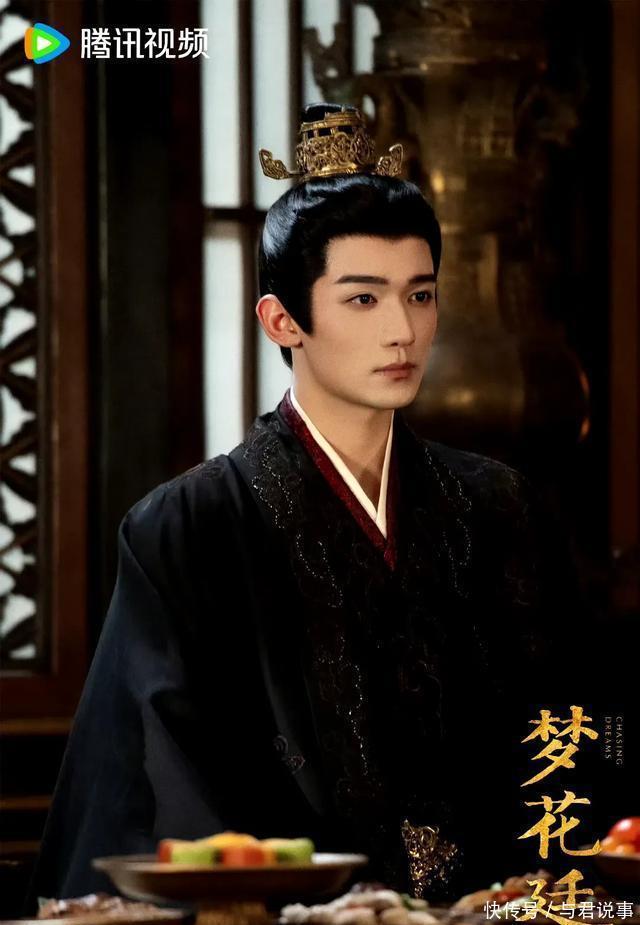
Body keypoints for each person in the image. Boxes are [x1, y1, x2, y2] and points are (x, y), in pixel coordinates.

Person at [28, 104, 596, 908]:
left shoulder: (503, 509)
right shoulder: (188, 530)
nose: (403, 330)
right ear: (282, 318)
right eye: (364, 299)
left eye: (421, 294)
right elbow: (170, 787)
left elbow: (576, 735)